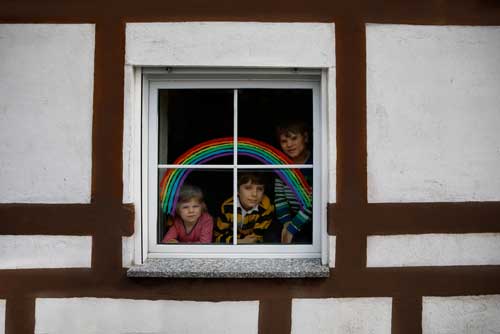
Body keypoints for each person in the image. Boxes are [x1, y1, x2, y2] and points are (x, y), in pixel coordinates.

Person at [275, 120, 313, 244]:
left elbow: (313, 202)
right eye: (284, 141)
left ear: (305, 137)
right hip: (288, 219)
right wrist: (286, 223)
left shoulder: (315, 162)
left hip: (311, 221)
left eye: (294, 138)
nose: (289, 145)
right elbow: (280, 198)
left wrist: (292, 228)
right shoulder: (282, 166)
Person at [213, 173, 275, 244]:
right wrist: (239, 241)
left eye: (260, 189)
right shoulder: (227, 207)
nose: (254, 194)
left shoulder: (266, 207)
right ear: (237, 191)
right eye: (248, 188)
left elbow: (257, 238)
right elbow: (217, 237)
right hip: (233, 244)